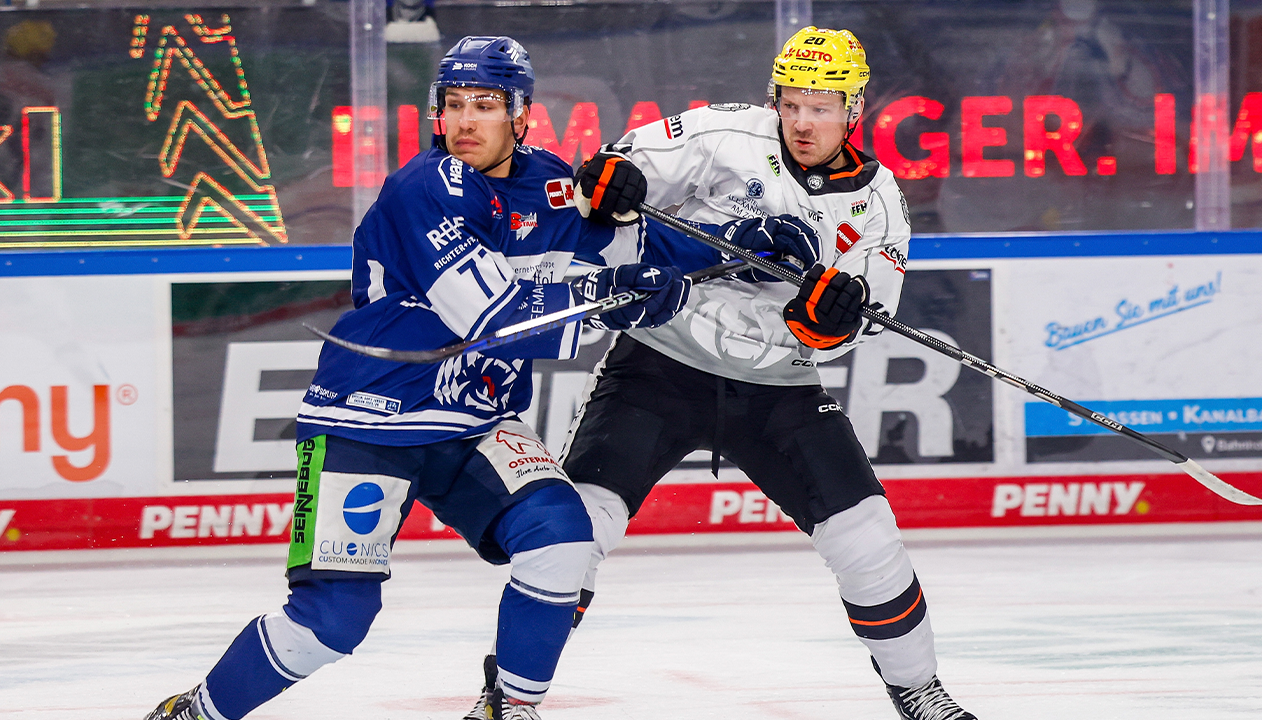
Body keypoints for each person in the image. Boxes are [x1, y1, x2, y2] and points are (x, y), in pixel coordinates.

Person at [142, 35, 806, 720]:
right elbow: (492, 316)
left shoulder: (548, 181)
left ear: (521, 113)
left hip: (473, 421)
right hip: (370, 417)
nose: (464, 121)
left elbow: (636, 244)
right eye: (453, 105)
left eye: (484, 105)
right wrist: (621, 293)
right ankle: (198, 711)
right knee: (333, 618)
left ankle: (509, 710)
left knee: (563, 540)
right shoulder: (422, 188)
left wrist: (746, 244)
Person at [465, 26, 978, 720]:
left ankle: (919, 689)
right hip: (658, 368)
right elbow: (616, 177)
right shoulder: (725, 133)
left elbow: (846, 333)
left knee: (869, 539)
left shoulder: (879, 204)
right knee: (575, 532)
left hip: (781, 392)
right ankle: (512, 698)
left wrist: (829, 320)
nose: (802, 121)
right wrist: (615, 179)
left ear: (854, 110)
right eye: (792, 102)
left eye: (822, 106)